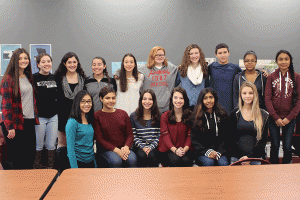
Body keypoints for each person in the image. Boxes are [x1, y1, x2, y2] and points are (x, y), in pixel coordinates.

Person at [0, 48, 39, 169]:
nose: (24, 60)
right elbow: (6, 105)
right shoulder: (8, 79)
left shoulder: (28, 77)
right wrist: (10, 127)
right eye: (20, 58)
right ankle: (16, 187)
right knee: (17, 160)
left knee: (30, 157)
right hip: (15, 124)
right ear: (14, 61)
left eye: (26, 58)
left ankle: (27, 187)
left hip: (29, 122)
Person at [114, 46, 178, 113]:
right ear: (152, 56)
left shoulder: (171, 67)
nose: (159, 57)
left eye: (162, 55)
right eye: (157, 55)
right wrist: (117, 72)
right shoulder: (144, 68)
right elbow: (128, 67)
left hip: (166, 106)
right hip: (150, 106)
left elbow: (180, 68)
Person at [265, 50, 300, 164]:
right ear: (276, 61)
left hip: (289, 119)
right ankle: (273, 169)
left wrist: (289, 118)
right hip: (274, 118)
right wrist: (275, 117)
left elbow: (299, 100)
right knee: (274, 145)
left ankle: (287, 171)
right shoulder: (271, 77)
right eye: (280, 59)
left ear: (290, 61)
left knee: (287, 146)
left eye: (286, 59)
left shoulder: (297, 77)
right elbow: (267, 98)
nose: (283, 62)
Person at [54, 52, 87, 171]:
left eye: (74, 62)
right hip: (63, 116)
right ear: (64, 63)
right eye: (69, 62)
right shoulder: (58, 78)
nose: (72, 64)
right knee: (63, 144)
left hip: (78, 116)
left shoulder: (83, 79)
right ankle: (62, 170)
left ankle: (76, 170)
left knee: (76, 145)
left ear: (77, 63)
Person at [93, 86, 137, 168]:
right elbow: (99, 139)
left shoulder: (123, 114)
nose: (111, 101)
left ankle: (131, 181)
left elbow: (130, 135)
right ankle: (115, 181)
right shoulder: (97, 116)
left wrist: (127, 146)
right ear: (101, 99)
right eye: (107, 98)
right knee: (116, 161)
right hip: (106, 150)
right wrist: (116, 150)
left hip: (123, 148)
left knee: (132, 159)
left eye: (113, 98)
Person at [230, 81, 269, 165]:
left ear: (255, 94)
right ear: (240, 95)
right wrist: (242, 158)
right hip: (237, 158)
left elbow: (263, 141)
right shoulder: (234, 114)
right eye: (244, 93)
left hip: (256, 158)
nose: (247, 96)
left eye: (250, 93)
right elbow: (231, 139)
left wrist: (249, 157)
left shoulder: (263, 115)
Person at [191, 88, 230, 166]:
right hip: (203, 153)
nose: (209, 101)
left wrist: (219, 152)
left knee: (223, 163)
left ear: (215, 98)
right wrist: (208, 152)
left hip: (220, 152)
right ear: (201, 100)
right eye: (205, 98)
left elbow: (227, 137)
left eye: (211, 97)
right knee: (209, 162)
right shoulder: (196, 117)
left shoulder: (223, 114)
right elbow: (194, 140)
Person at [33, 53, 58, 169]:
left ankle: (50, 169)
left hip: (53, 116)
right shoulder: (33, 78)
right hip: (40, 117)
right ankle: (37, 168)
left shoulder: (54, 78)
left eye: (48, 61)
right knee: (38, 145)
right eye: (43, 62)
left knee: (51, 144)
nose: (46, 64)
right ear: (38, 64)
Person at [158, 87, 194, 167]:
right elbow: (165, 135)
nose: (178, 101)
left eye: (181, 98)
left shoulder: (190, 115)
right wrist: (175, 150)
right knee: (175, 160)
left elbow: (190, 135)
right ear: (171, 100)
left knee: (186, 161)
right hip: (169, 149)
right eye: (175, 98)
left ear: (185, 100)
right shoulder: (164, 116)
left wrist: (183, 150)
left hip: (185, 149)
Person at [208, 43, 242, 114]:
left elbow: (248, 74)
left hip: (230, 106)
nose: (223, 55)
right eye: (220, 53)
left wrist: (263, 73)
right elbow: (198, 71)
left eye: (225, 52)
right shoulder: (211, 67)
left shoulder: (235, 68)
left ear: (228, 53)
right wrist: (183, 66)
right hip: (215, 105)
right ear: (216, 55)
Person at [130, 89, 161, 167]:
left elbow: (159, 135)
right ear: (141, 100)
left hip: (154, 146)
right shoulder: (133, 116)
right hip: (139, 146)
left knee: (152, 156)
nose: (147, 102)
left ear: (154, 101)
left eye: (150, 99)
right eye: (144, 99)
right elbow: (134, 136)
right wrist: (143, 147)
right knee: (141, 156)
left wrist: (150, 147)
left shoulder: (158, 116)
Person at [66, 90, 96, 168]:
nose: (87, 104)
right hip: (78, 162)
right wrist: (75, 170)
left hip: (90, 161)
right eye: (83, 101)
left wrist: (95, 165)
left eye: (89, 101)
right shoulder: (72, 122)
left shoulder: (90, 119)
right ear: (77, 103)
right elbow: (70, 149)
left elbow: (90, 145)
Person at [176, 44, 209, 111]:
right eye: (191, 54)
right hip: (185, 106)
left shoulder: (205, 69)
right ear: (187, 56)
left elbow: (207, 87)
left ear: (200, 54)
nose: (194, 56)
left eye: (196, 53)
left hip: (201, 106)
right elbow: (174, 85)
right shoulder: (182, 69)